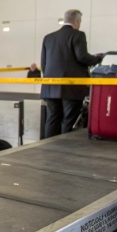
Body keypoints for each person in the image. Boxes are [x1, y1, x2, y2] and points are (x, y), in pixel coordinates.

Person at [40, 10, 103, 138]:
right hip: (71, 87)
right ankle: (65, 146)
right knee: (68, 119)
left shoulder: (48, 37)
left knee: (52, 118)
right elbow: (82, 56)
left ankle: (47, 146)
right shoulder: (78, 35)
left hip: (50, 86)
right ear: (77, 21)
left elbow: (44, 64)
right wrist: (97, 59)